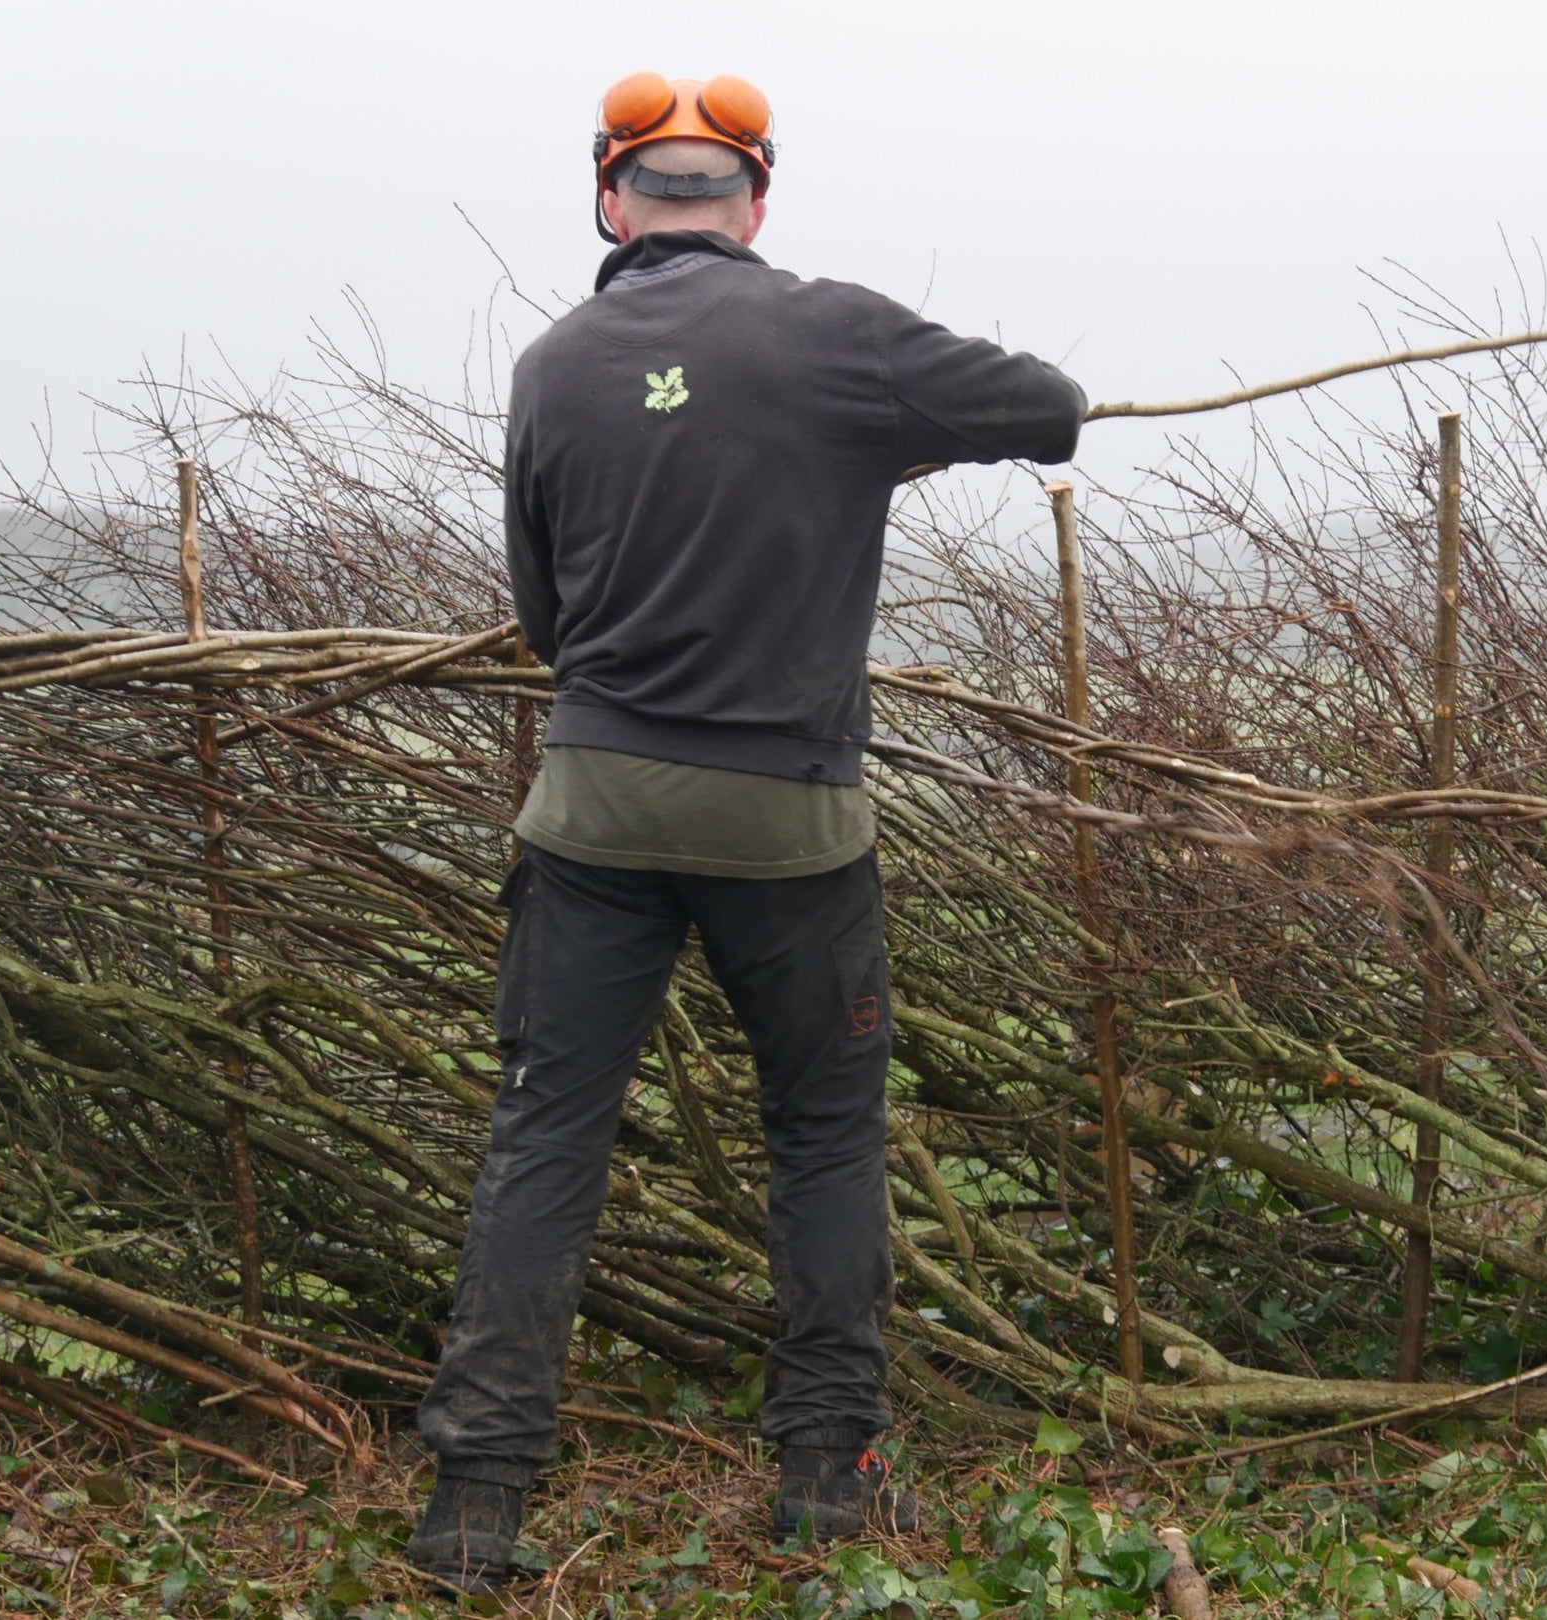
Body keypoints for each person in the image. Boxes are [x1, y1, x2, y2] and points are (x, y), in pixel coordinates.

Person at [403, 71, 1086, 1594]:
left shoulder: (551, 365)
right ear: (756, 206)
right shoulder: (836, 335)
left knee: (546, 1142)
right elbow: (1051, 409)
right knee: (825, 1138)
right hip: (792, 821)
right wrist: (891, 437)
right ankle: (832, 1484)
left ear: (613, 203)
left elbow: (544, 618)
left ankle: (473, 1511)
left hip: (595, 801)